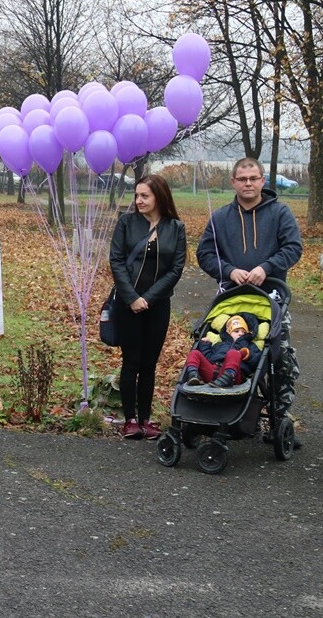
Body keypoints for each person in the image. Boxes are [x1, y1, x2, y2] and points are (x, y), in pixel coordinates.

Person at [196, 156, 303, 446]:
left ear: (262, 181)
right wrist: (229, 270)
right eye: (242, 179)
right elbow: (205, 254)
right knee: (221, 352)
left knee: (278, 360)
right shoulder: (220, 218)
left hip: (271, 300)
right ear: (233, 182)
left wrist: (265, 268)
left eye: (253, 178)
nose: (248, 183)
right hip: (231, 300)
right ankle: (219, 410)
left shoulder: (280, 213)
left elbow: (294, 247)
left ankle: (279, 420)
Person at [109, 174, 186, 440]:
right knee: (131, 361)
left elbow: (176, 268)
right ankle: (129, 420)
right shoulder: (126, 223)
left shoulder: (175, 227)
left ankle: (146, 419)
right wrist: (132, 297)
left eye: (145, 196)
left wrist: (149, 298)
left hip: (157, 305)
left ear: (159, 197)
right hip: (128, 304)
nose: (139, 200)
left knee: (149, 364)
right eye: (137, 195)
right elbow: (116, 261)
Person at [183, 313, 262, 387]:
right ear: (229, 332)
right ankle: (193, 374)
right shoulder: (219, 345)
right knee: (194, 353)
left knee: (234, 353)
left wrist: (248, 356)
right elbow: (209, 357)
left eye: (244, 332)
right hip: (212, 372)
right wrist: (205, 345)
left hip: (234, 376)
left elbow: (257, 361)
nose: (240, 333)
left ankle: (227, 377)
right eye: (236, 331)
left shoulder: (250, 346)